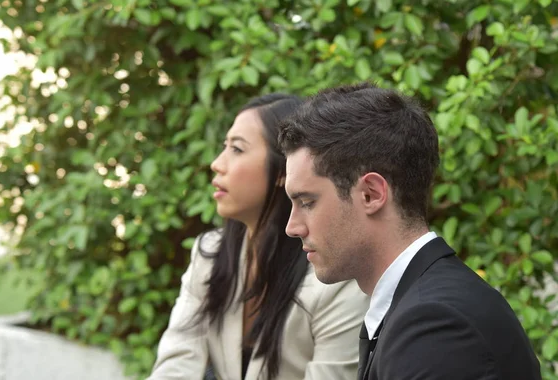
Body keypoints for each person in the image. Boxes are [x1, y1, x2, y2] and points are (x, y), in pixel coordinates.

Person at [278, 82, 542, 380]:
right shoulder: (421, 306)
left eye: (307, 202)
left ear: (371, 194)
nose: (292, 227)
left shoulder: (435, 325)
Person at [147, 93, 369, 380]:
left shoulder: (335, 281)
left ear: (284, 170)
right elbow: (176, 365)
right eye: (223, 147)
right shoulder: (210, 254)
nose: (217, 163)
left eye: (237, 149)